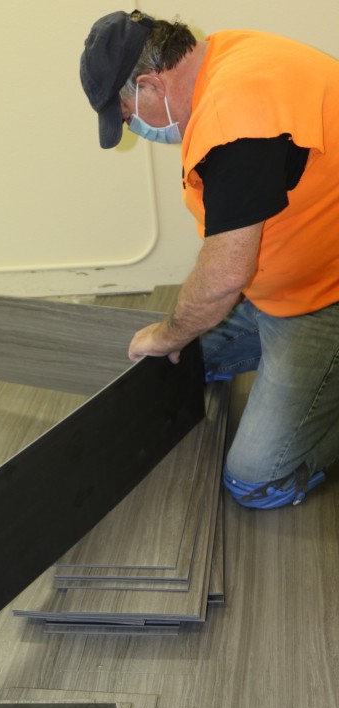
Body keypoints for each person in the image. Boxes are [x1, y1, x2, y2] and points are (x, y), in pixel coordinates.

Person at [80, 10, 339, 509]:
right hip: (284, 287)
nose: (134, 127)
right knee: (176, 365)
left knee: (254, 483)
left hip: (324, 299)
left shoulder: (237, 122)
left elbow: (225, 275)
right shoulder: (225, 57)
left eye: (129, 114)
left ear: (153, 84)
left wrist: (169, 331)